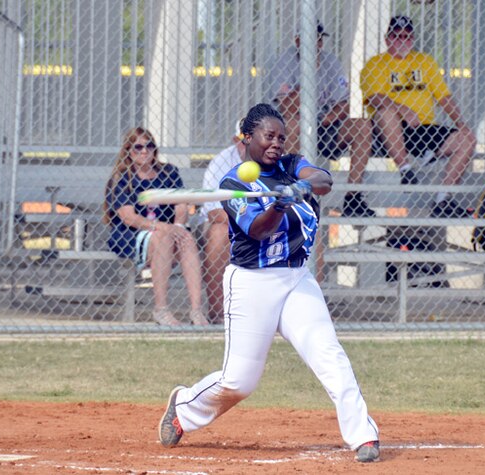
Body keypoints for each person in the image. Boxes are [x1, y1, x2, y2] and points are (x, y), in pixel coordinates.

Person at [157, 104, 380, 463]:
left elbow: (324, 180)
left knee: (329, 355)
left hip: (296, 279)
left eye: (281, 136)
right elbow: (258, 230)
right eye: (268, 136)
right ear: (248, 139)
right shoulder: (233, 183)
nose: (276, 143)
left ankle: (364, 437)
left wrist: (298, 186)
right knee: (239, 382)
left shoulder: (291, 165)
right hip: (252, 283)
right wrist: (278, 205)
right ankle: (185, 407)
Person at [360, 15, 476, 218]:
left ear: (413, 39)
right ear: (387, 39)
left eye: (406, 37)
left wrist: (461, 124)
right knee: (386, 112)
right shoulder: (376, 64)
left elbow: (444, 98)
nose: (401, 41)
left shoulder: (424, 61)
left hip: (423, 128)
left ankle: (442, 200)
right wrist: (401, 109)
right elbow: (375, 98)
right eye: (396, 36)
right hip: (390, 130)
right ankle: (406, 169)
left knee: (468, 138)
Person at [264, 20, 376, 217]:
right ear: (297, 40)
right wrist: (308, 77)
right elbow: (286, 106)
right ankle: (290, 186)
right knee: (292, 122)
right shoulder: (285, 62)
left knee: (362, 125)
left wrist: (325, 119)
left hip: (325, 123)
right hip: (294, 128)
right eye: (309, 39)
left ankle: (353, 196)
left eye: (318, 39)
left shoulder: (330, 61)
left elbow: (345, 104)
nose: (316, 44)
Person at [103, 127, 208, 326]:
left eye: (149, 146)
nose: (144, 151)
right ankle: (161, 309)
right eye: (138, 147)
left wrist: (178, 225)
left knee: (186, 237)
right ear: (128, 151)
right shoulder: (122, 179)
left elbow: (181, 204)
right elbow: (128, 217)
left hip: (167, 231)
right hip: (131, 234)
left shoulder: (168, 172)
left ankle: (196, 310)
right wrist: (163, 227)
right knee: (163, 236)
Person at [200, 119, 247, 324]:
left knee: (309, 228)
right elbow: (215, 213)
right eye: (245, 141)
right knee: (219, 232)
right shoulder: (222, 161)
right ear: (236, 140)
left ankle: (305, 311)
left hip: (265, 224)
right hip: (229, 223)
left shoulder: (275, 160)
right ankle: (219, 313)